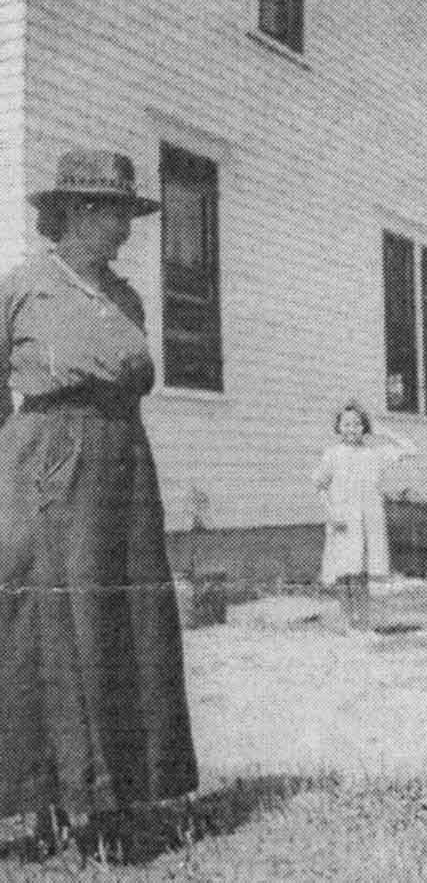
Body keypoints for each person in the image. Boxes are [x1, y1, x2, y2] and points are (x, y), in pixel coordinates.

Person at [0, 149, 198, 857]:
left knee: (129, 619)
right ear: (77, 212)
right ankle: (57, 800)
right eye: (114, 213)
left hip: (124, 464)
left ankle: (125, 796)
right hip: (51, 464)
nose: (126, 228)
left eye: (126, 212)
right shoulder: (23, 287)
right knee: (59, 624)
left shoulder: (126, 297)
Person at [313, 402, 414, 630]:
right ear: (338, 427)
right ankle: (348, 623)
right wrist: (331, 514)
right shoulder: (332, 455)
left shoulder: (374, 454)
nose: (352, 429)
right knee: (343, 573)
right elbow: (319, 486)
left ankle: (363, 624)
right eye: (346, 424)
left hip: (367, 521)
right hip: (342, 520)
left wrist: (384, 431)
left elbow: (411, 448)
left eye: (358, 424)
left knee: (360, 574)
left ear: (365, 427)